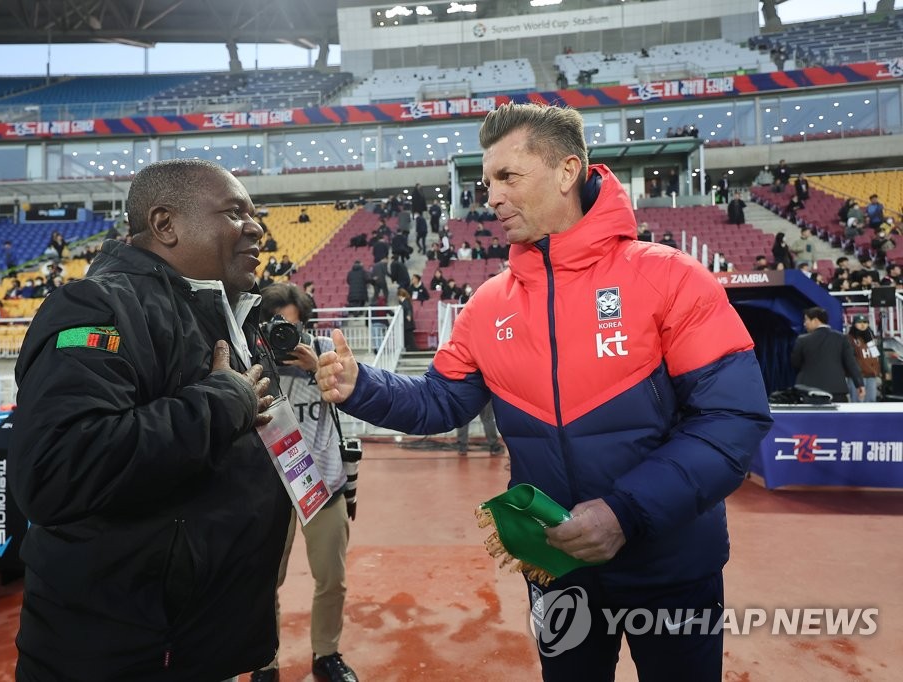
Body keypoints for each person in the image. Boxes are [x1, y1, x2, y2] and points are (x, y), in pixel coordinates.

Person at [315, 102, 772, 682]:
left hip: (672, 564)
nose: (493, 197)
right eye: (487, 182)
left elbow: (731, 420)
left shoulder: (672, 277)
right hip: (556, 567)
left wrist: (625, 512)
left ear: (566, 171)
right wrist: (363, 387)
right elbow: (440, 400)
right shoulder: (488, 305)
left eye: (509, 177)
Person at [7, 159, 291, 681]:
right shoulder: (97, 307)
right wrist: (222, 402)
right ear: (165, 225)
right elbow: (56, 469)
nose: (256, 227)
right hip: (123, 653)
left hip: (200, 644)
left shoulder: (222, 313)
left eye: (255, 214)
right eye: (235, 213)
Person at [253, 283, 358, 682]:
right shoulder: (251, 358)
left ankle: (326, 655)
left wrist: (315, 368)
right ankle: (265, 662)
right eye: (274, 326)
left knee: (332, 578)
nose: (283, 336)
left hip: (324, 485)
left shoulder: (323, 354)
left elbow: (352, 396)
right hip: (271, 490)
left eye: (290, 328)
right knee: (263, 582)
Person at [791, 306, 864, 402]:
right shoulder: (841, 339)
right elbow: (851, 363)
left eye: (806, 320)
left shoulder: (802, 340)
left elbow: (795, 363)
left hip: (808, 391)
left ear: (816, 320)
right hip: (837, 391)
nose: (804, 324)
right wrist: (859, 384)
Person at [847, 315, 880, 403]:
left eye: (865, 322)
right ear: (854, 324)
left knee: (871, 401)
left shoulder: (871, 338)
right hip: (857, 376)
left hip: (871, 374)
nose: (863, 325)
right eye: (859, 322)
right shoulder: (849, 339)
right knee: (858, 401)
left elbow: (876, 356)